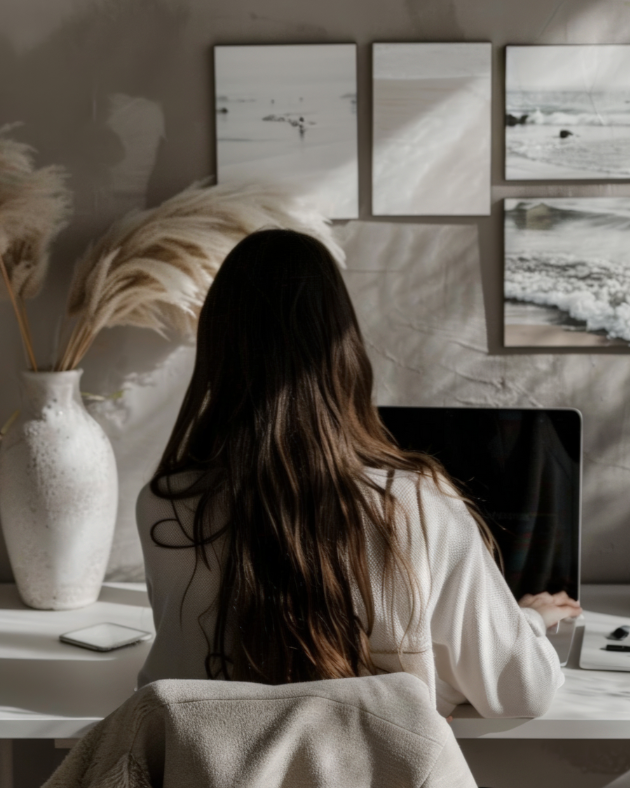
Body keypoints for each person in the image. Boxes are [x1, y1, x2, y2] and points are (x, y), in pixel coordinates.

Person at [135, 228, 581, 719]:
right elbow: (523, 693)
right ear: (343, 349)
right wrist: (529, 621)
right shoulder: (416, 503)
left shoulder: (164, 504)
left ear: (216, 350)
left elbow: (193, 669)